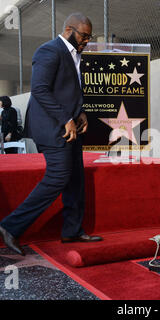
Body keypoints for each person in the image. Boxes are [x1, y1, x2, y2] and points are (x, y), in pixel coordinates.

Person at [0, 13, 103, 256]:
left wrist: (81, 113)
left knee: (76, 178)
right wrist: (65, 118)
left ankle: (72, 230)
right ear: (69, 29)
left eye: (89, 36)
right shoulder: (49, 51)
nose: (87, 41)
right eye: (84, 35)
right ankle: (10, 226)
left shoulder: (75, 54)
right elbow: (40, 90)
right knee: (58, 177)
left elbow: (71, 89)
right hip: (52, 127)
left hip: (71, 126)